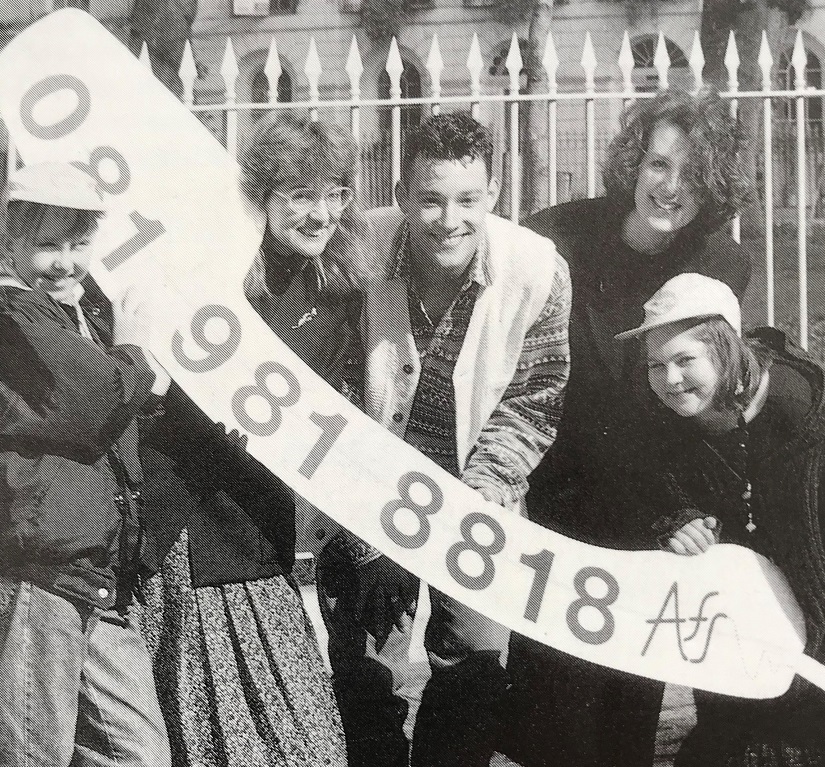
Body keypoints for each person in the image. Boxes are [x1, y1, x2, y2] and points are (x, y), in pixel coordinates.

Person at [505, 87, 753, 767]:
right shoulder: (557, 236)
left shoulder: (722, 265)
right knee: (552, 714)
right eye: (657, 165)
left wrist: (668, 511)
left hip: (649, 504)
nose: (669, 188)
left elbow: (696, 401)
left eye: (691, 175)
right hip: (560, 493)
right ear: (631, 164)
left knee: (626, 710)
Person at [316, 111, 572, 767]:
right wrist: (373, 537)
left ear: (492, 195)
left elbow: (534, 396)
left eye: (466, 199)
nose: (447, 219)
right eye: (429, 199)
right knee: (366, 679)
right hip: (369, 496)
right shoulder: (356, 249)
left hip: (477, 499)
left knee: (475, 672)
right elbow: (332, 393)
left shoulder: (537, 268)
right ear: (401, 195)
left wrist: (469, 515)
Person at [133, 114, 365, 767]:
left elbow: (332, 418)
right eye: (300, 194)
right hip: (185, 526)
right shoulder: (215, 269)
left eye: (335, 193)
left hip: (256, 530)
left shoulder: (337, 293)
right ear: (260, 195)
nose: (321, 213)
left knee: (303, 742)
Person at [617, 272, 825, 766]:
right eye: (655, 365)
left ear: (727, 350)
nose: (669, 380)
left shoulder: (817, 422)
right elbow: (643, 492)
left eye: (686, 360)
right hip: (746, 642)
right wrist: (676, 522)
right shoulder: (669, 416)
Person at [0, 162, 171, 767]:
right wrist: (133, 353)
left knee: (139, 754)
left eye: (78, 243)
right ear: (8, 237)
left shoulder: (68, 314)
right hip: (39, 570)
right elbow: (95, 400)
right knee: (31, 750)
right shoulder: (15, 314)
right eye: (48, 244)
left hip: (91, 573)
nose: (66, 261)